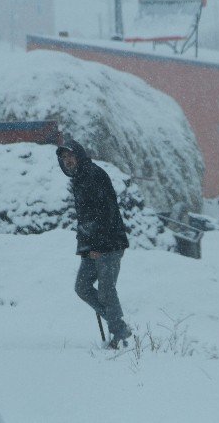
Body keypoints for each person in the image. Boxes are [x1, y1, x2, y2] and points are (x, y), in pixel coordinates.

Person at [56, 139, 132, 348]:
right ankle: (119, 326)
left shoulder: (93, 175)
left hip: (109, 244)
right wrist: (86, 248)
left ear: (79, 155)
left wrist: (98, 246)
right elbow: (86, 218)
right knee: (82, 287)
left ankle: (120, 337)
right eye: (63, 158)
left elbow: (105, 213)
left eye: (70, 156)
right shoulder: (79, 178)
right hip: (92, 247)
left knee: (107, 290)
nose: (67, 161)